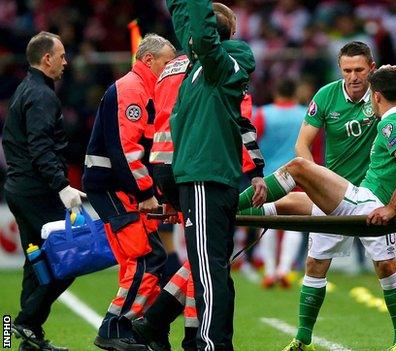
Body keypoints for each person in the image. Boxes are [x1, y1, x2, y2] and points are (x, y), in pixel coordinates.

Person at [238, 66, 396, 351]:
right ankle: (308, 339)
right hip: (364, 201)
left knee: (298, 167)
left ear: (376, 97)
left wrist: (391, 207)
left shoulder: (390, 124)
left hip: (366, 203)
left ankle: (230, 205)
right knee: (318, 245)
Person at [168, 0, 265, 349]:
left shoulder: (218, 65)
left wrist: (194, 4)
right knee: (215, 271)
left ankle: (210, 344)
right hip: (207, 175)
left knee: (208, 273)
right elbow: (188, 28)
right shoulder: (202, 66)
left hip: (204, 177)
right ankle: (217, 342)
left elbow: (202, 37)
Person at [82, 34, 176, 351]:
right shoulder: (131, 89)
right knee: (145, 259)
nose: (172, 67)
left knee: (149, 259)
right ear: (148, 60)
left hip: (119, 187)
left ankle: (132, 328)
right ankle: (115, 327)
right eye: (167, 62)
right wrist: (148, 192)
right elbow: (127, 149)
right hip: (114, 187)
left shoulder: (145, 89)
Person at [3, 31, 81, 351]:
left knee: (35, 263)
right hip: (37, 191)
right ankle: (24, 322)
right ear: (46, 59)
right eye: (61, 55)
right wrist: (62, 186)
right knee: (69, 260)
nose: (66, 61)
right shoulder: (42, 95)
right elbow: (41, 148)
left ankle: (27, 340)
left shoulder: (27, 89)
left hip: (20, 188)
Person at [253, 78, 307, 289]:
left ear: (276, 93)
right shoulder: (303, 114)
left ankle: (269, 271)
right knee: (294, 223)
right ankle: (285, 269)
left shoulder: (263, 114)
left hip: (268, 176)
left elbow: (252, 142)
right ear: (294, 93)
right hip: (296, 174)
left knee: (268, 222)